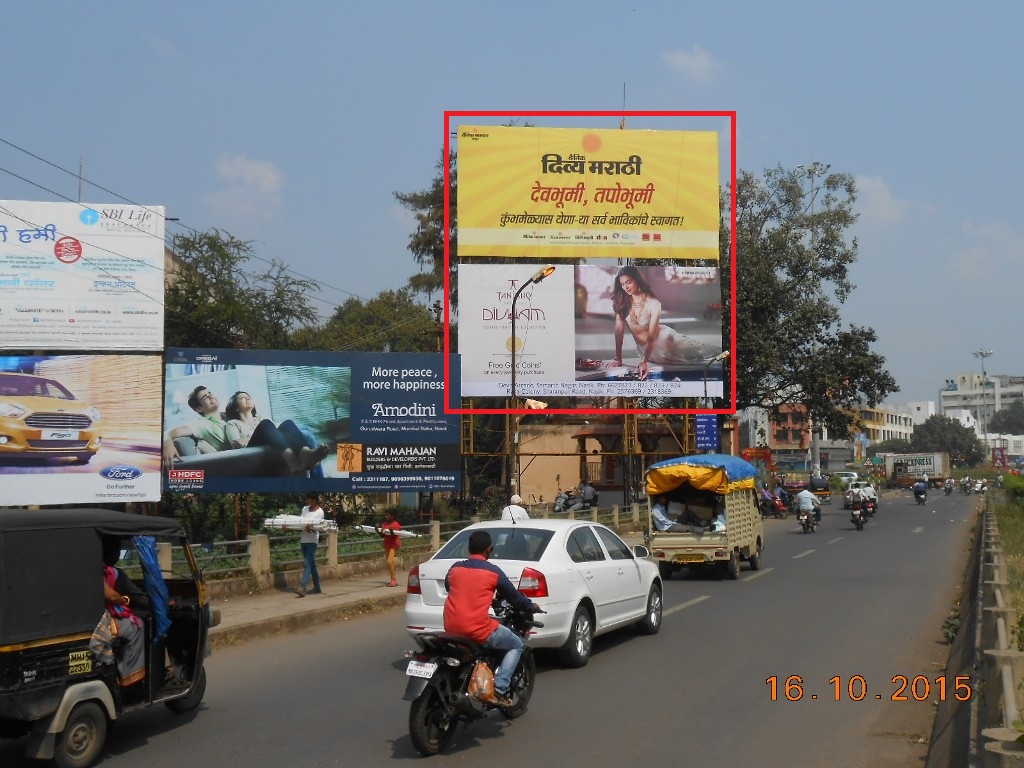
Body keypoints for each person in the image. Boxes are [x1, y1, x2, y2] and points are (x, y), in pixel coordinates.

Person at [443, 530, 539, 705]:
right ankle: (500, 689)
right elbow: (514, 597)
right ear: (489, 550)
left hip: (451, 629)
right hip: (478, 631)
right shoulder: (493, 572)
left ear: (468, 548)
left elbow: (449, 586)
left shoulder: (455, 568)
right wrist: (530, 605)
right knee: (516, 644)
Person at [163, 386, 329, 474]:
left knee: (290, 425)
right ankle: (297, 462)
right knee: (268, 425)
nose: (212, 396)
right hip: (242, 458)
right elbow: (170, 432)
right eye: (205, 397)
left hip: (257, 446)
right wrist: (167, 442)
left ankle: (307, 455)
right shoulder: (201, 424)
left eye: (210, 393)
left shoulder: (228, 416)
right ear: (199, 409)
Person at [611, 266, 718, 380]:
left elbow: (652, 336)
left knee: (704, 352)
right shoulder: (622, 303)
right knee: (697, 361)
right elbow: (618, 331)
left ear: (637, 280)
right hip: (647, 351)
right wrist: (618, 358)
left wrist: (644, 362)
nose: (626, 287)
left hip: (667, 341)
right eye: (622, 284)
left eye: (629, 282)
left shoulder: (653, 303)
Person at [98, 538, 146, 687]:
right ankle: (130, 677)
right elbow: (113, 596)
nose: (118, 554)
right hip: (103, 620)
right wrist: (123, 600)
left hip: (93, 617)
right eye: (117, 550)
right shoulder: (111, 573)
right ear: (112, 552)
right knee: (137, 626)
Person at [296, 492, 323, 597]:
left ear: (314, 500)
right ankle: (317, 587)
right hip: (304, 540)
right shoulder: (305, 509)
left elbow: (317, 526)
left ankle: (303, 587)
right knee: (311, 565)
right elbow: (300, 522)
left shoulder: (320, 512)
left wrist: (311, 527)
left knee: (307, 563)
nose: (307, 501)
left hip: (312, 540)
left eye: (308, 499)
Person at [375, 510, 402, 587]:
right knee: (389, 562)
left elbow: (395, 535)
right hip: (387, 545)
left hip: (394, 545)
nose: (386, 516)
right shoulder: (385, 524)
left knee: (390, 561)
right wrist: (377, 530)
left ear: (392, 516)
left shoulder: (396, 524)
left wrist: (390, 532)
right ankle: (392, 579)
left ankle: (393, 580)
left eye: (388, 515)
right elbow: (382, 536)